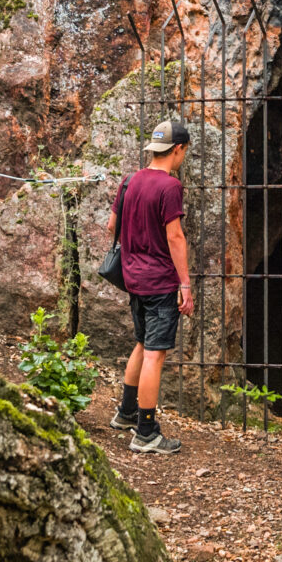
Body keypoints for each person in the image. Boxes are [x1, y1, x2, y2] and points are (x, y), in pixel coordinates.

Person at [108, 118, 196, 453]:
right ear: (178, 149)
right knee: (155, 354)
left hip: (133, 278)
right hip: (160, 281)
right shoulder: (169, 186)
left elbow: (112, 225)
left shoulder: (130, 180)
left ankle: (126, 412)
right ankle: (146, 432)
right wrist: (185, 284)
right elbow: (175, 236)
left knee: (143, 343)